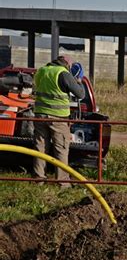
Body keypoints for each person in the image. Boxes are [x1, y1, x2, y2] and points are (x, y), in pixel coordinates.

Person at [33, 55, 85, 188]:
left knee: (40, 148)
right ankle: (63, 182)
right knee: (61, 149)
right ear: (67, 64)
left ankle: (39, 180)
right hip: (58, 118)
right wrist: (78, 80)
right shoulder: (63, 73)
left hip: (39, 115)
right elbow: (80, 94)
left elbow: (37, 90)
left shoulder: (41, 71)